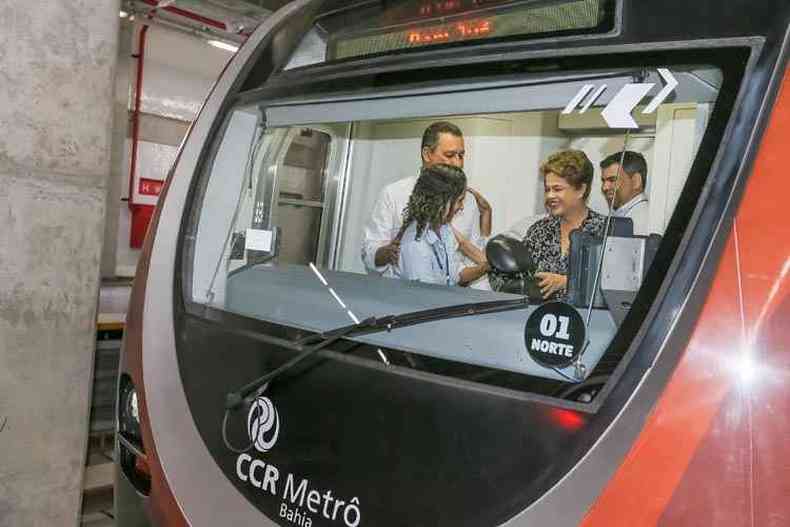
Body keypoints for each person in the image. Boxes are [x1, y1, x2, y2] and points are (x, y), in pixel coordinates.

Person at [361, 121, 492, 282]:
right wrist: (389, 253)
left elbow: (464, 264)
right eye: (450, 155)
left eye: (461, 155)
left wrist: (486, 220)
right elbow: (369, 252)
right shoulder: (394, 194)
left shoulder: (468, 200)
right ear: (427, 154)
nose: (458, 163)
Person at [516, 150, 606, 300]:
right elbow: (518, 277)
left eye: (557, 189)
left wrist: (566, 282)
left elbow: (616, 286)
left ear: (581, 190)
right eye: (547, 189)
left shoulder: (605, 230)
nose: (550, 196)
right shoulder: (539, 230)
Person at [397, 164, 490, 286]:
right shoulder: (416, 247)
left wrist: (486, 268)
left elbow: (456, 275)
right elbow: (426, 298)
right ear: (442, 202)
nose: (462, 207)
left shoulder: (444, 229)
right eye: (459, 201)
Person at [600, 151, 650, 235]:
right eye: (603, 181)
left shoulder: (641, 221)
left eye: (612, 180)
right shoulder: (625, 215)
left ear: (636, 181)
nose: (604, 187)